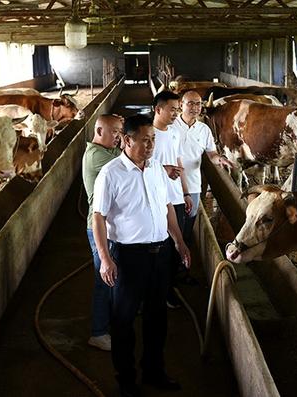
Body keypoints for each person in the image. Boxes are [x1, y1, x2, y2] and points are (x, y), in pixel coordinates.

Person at [92, 114, 191, 397]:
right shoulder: (111, 173)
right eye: (144, 140)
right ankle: (126, 380)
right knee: (123, 319)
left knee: (156, 317)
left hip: (160, 253)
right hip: (128, 255)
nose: (150, 145)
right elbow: (98, 218)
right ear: (126, 140)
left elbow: (168, 208)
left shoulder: (157, 169)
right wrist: (106, 259)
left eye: (153, 140)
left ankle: (154, 371)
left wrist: (180, 242)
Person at [82, 114, 123, 351]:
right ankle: (98, 332)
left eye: (120, 132)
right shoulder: (97, 156)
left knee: (112, 276)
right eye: (115, 132)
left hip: (110, 225)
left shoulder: (106, 152)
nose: (119, 137)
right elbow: (128, 163)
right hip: (98, 227)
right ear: (100, 131)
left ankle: (112, 320)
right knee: (103, 278)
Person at [175, 90, 233, 244]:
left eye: (199, 104)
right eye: (191, 103)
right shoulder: (171, 126)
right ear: (181, 105)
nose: (195, 107)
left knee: (189, 218)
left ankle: (183, 253)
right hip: (171, 183)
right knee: (172, 222)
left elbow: (211, 154)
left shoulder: (204, 129)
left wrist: (220, 159)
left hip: (193, 183)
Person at [150, 90, 192, 308]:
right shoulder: (148, 135)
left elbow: (178, 162)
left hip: (174, 197)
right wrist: (163, 168)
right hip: (155, 200)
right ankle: (158, 292)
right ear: (158, 109)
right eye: (172, 109)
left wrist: (185, 192)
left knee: (176, 247)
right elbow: (139, 165)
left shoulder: (174, 134)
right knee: (160, 249)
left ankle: (168, 289)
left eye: (177, 109)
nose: (176, 114)